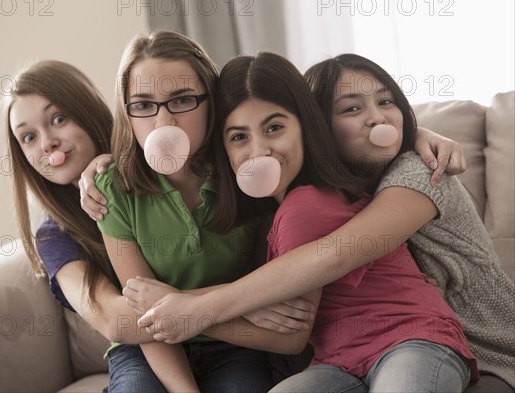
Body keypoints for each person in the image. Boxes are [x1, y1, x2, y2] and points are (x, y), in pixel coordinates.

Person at [137, 53, 515, 389]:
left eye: (274, 128)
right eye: (351, 109)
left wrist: (190, 306)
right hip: (340, 360)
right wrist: (95, 170)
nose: (376, 119)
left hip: (472, 345)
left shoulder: (419, 170)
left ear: (307, 127)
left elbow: (327, 260)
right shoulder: (307, 195)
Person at [4, 58, 315, 393]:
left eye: (59, 119)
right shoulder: (54, 235)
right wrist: (248, 297)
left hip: (227, 344)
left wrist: (202, 306)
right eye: (29, 137)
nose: (47, 142)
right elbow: (115, 319)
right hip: (145, 348)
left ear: (90, 111)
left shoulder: (168, 167)